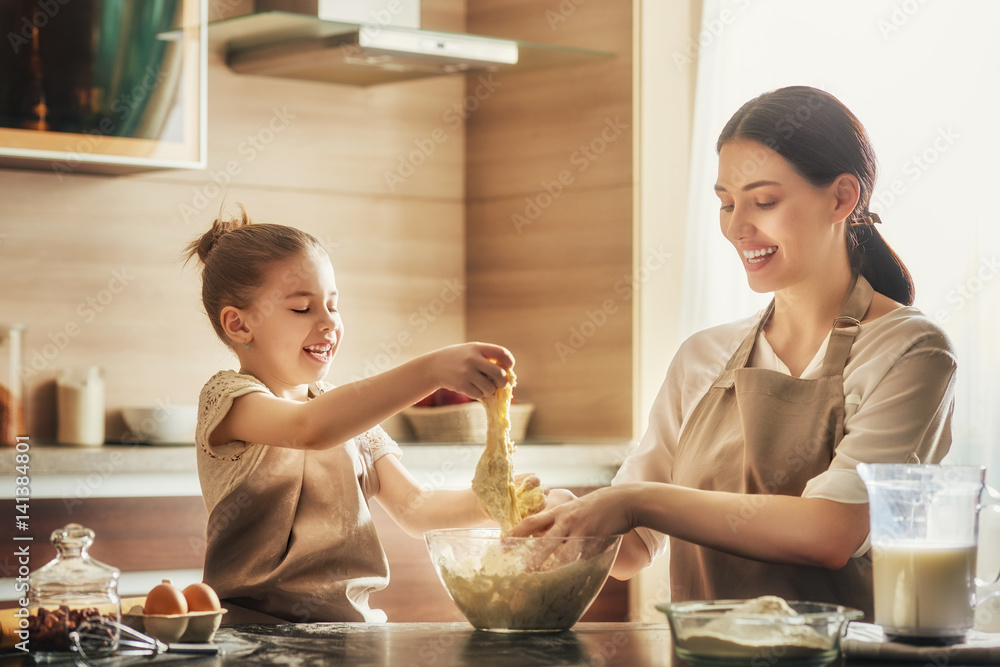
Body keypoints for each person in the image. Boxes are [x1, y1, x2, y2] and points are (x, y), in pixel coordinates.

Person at [511, 86, 957, 618]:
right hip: (706, 655)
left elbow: (831, 531)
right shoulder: (703, 356)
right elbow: (631, 550)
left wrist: (631, 502)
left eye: (764, 201)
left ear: (842, 198)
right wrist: (569, 515)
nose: (737, 227)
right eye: (725, 203)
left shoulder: (911, 351)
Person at [184, 206, 525, 623]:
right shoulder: (229, 398)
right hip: (251, 637)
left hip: (353, 634)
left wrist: (504, 501)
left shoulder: (345, 413)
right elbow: (307, 428)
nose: (329, 323)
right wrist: (432, 370)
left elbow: (417, 509)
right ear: (239, 325)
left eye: (333, 305)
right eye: (302, 309)